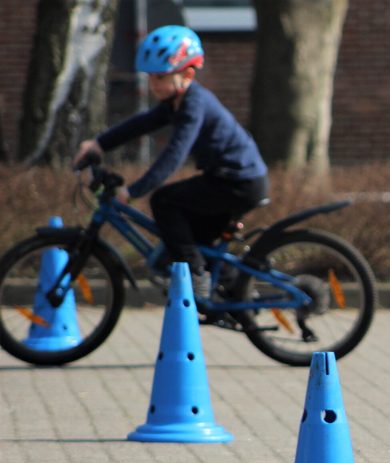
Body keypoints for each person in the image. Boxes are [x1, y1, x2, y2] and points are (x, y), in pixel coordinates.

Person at [72, 25, 269, 300]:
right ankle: (232, 288)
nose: (153, 85)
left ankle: (197, 279)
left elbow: (174, 155)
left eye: (161, 77)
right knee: (188, 239)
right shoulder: (176, 101)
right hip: (231, 179)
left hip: (238, 182)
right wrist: (98, 144)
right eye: (151, 77)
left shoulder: (194, 104)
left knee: (165, 201)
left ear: (187, 74)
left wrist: (133, 191)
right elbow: (140, 124)